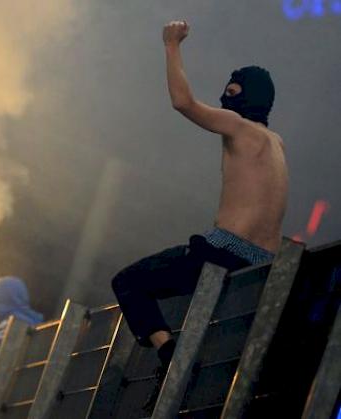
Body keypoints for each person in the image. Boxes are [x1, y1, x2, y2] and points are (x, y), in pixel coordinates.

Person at [111, 20, 288, 409]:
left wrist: (171, 45)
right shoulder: (275, 143)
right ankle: (178, 364)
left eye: (233, 87)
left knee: (128, 283)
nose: (226, 92)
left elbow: (183, 102)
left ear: (244, 95)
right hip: (265, 261)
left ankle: (168, 352)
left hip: (225, 248)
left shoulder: (241, 127)